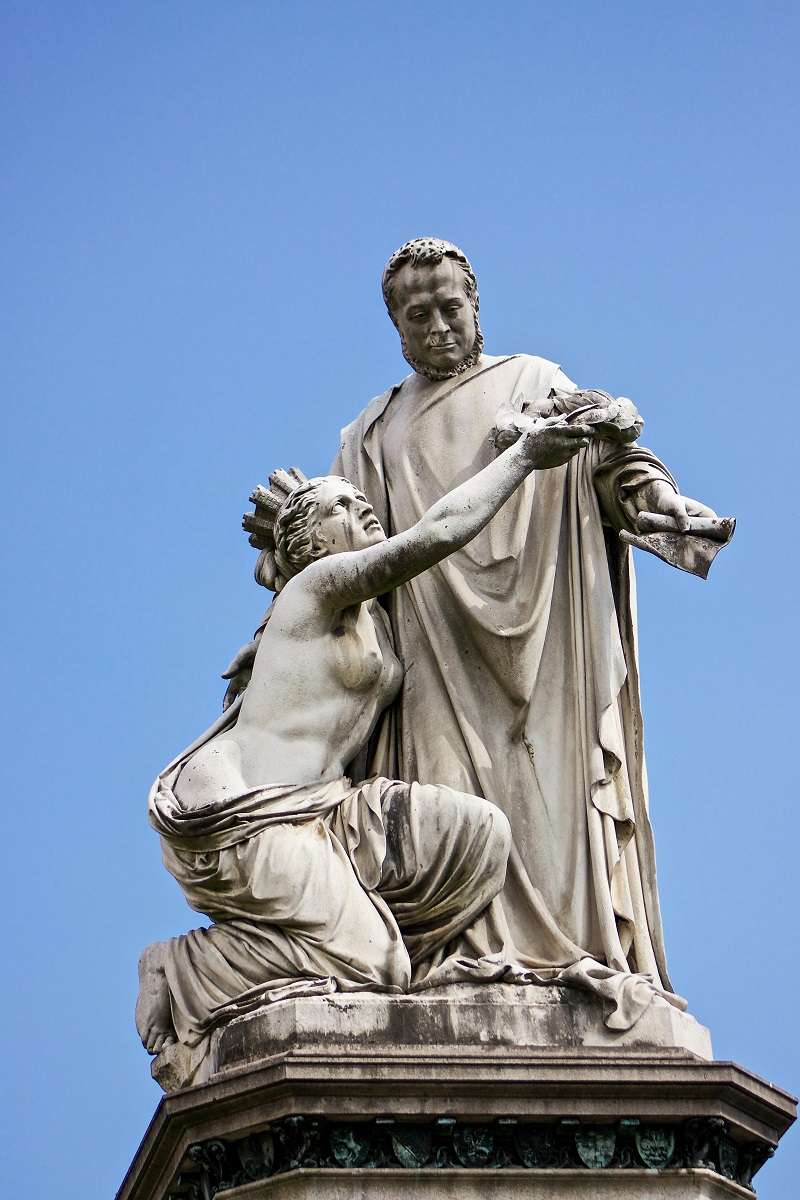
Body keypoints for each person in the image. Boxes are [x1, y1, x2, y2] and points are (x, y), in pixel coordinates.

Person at [137, 413, 595, 1060]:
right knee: (375, 970)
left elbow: (430, 527)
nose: (363, 508)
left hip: (330, 808)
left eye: (360, 499)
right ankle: (183, 972)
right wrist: (522, 458)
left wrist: (488, 448)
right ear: (309, 542)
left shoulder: (364, 616)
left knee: (477, 838)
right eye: (342, 506)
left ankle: (356, 943)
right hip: (250, 806)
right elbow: (437, 531)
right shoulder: (317, 587)